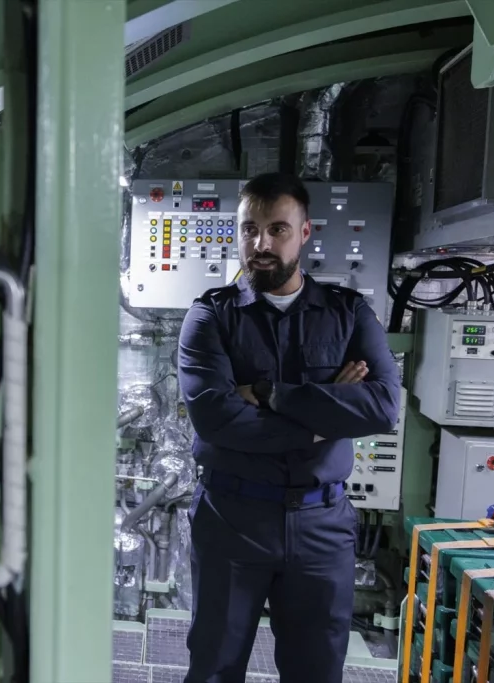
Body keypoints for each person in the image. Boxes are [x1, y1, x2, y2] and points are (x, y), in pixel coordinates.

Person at [177, 172, 401, 683]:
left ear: (305, 233)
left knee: (317, 671)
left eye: (277, 229)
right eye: (248, 229)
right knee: (214, 665)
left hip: (322, 527)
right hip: (232, 520)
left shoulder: (348, 314)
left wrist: (271, 395)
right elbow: (216, 420)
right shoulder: (210, 318)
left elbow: (384, 406)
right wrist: (328, 418)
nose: (260, 243)